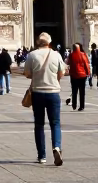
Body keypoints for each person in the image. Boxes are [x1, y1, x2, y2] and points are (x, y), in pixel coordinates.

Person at [23, 32, 66, 166]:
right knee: (55, 123)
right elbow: (62, 73)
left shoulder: (32, 55)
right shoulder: (56, 55)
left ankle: (42, 156)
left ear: (38, 42)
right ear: (49, 42)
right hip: (53, 92)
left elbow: (27, 73)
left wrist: (37, 75)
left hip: (38, 93)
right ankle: (57, 147)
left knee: (39, 124)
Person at [67, 43, 90, 111]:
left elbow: (68, 63)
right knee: (82, 92)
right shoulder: (83, 54)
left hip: (73, 75)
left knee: (74, 90)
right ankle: (82, 106)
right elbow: (86, 64)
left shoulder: (71, 55)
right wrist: (88, 73)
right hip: (82, 75)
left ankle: (74, 105)